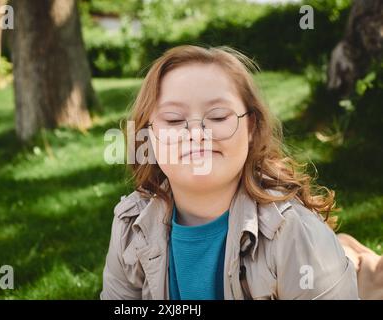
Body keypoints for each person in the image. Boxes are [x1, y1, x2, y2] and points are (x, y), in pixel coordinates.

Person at [100, 45, 367, 300]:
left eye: (217, 116)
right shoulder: (129, 226)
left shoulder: (295, 234)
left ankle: (363, 266)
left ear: (251, 127)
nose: (196, 134)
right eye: (173, 119)